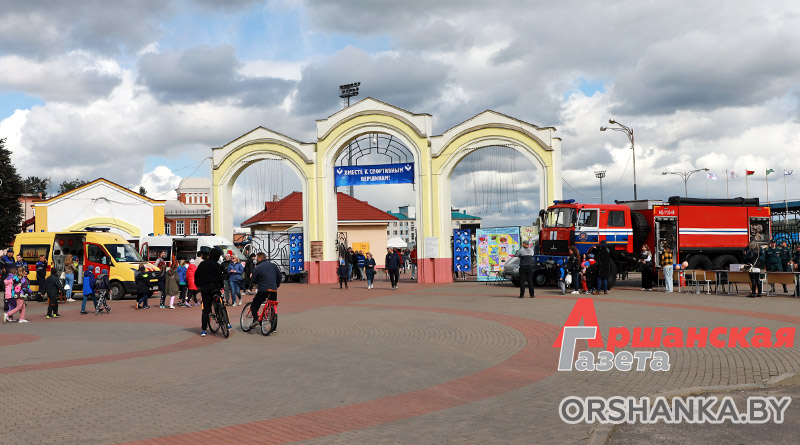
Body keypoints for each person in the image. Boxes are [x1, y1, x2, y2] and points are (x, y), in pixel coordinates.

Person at [195, 248, 226, 337]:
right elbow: (220, 277)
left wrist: (198, 284)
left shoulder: (202, 264)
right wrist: (221, 286)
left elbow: (197, 275)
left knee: (206, 309)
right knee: (220, 303)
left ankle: (204, 329)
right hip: (215, 287)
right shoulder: (217, 265)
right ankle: (225, 321)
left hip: (205, 288)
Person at [249, 252, 282, 330]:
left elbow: (254, 280)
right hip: (273, 290)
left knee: (254, 305)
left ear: (260, 258)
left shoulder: (258, 267)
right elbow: (279, 277)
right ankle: (273, 328)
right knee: (272, 308)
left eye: (257, 258)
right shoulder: (274, 265)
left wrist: (256, 282)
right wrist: (276, 285)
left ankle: (256, 319)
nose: (256, 260)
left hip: (263, 290)